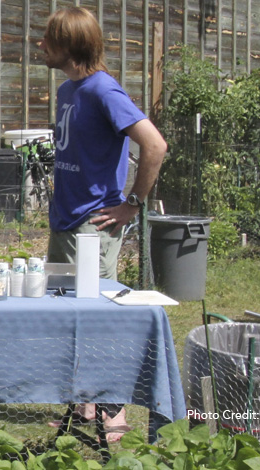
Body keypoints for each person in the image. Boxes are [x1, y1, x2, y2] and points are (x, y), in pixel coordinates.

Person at [40, 6, 168, 444]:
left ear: (69, 45)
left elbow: (154, 144)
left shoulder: (103, 91)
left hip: (93, 226)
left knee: (96, 317)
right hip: (66, 222)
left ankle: (112, 411)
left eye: (48, 39)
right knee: (70, 317)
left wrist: (133, 203)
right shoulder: (67, 89)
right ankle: (85, 406)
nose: (40, 45)